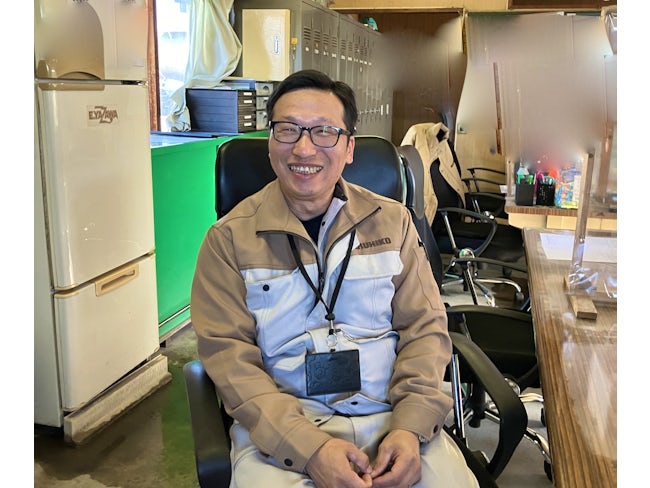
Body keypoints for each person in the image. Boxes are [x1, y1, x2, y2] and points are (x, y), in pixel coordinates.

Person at [191, 69, 479, 488]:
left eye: (324, 131)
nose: (304, 148)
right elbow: (230, 359)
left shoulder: (393, 222)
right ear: (270, 142)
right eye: (288, 129)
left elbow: (424, 329)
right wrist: (309, 449)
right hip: (284, 432)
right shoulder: (228, 241)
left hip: (391, 416)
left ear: (349, 148)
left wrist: (410, 427)